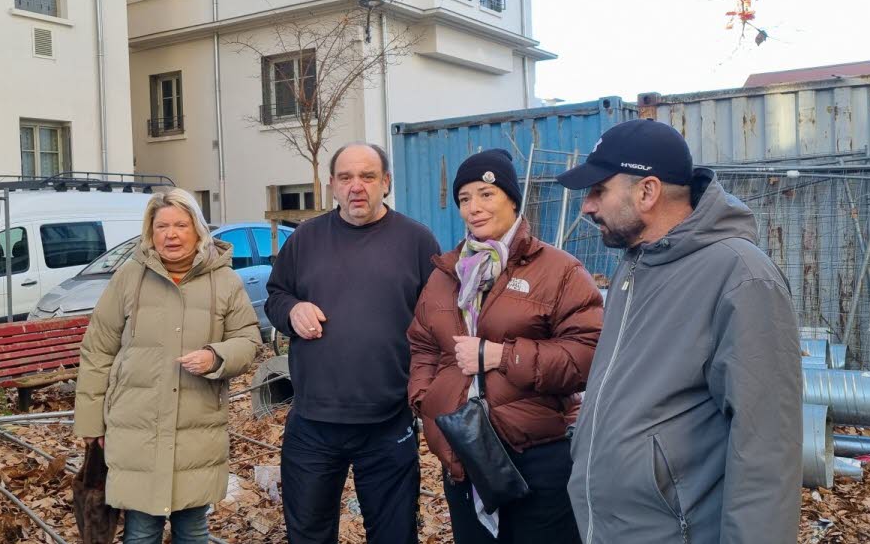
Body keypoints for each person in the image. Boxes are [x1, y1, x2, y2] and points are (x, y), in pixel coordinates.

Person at [557, 119, 802, 544]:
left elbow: (767, 450)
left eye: (598, 190)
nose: (587, 207)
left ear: (647, 192)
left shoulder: (740, 275)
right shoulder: (634, 267)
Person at [407, 149, 601, 543]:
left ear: (513, 199)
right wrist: (427, 400)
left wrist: (501, 356)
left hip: (538, 455)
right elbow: (423, 346)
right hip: (464, 451)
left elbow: (589, 354)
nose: (473, 208)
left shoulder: (558, 270)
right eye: (464, 198)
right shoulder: (447, 274)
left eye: (486, 194)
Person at [265, 142, 441, 544]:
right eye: (345, 177)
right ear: (332, 184)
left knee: (394, 535)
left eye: (367, 176)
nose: (356, 186)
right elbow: (276, 296)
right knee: (309, 535)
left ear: (386, 182)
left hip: (388, 421)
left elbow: (437, 324)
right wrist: (292, 310)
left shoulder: (416, 241)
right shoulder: (305, 238)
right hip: (312, 422)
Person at [73, 188, 261, 544]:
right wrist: (91, 422)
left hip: (197, 427)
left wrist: (216, 356)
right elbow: (97, 350)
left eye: (180, 225)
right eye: (162, 227)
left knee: (192, 527)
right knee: (141, 529)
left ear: (197, 230)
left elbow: (248, 340)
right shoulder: (130, 277)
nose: (171, 235)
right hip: (135, 425)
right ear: (150, 231)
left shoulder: (224, 281)